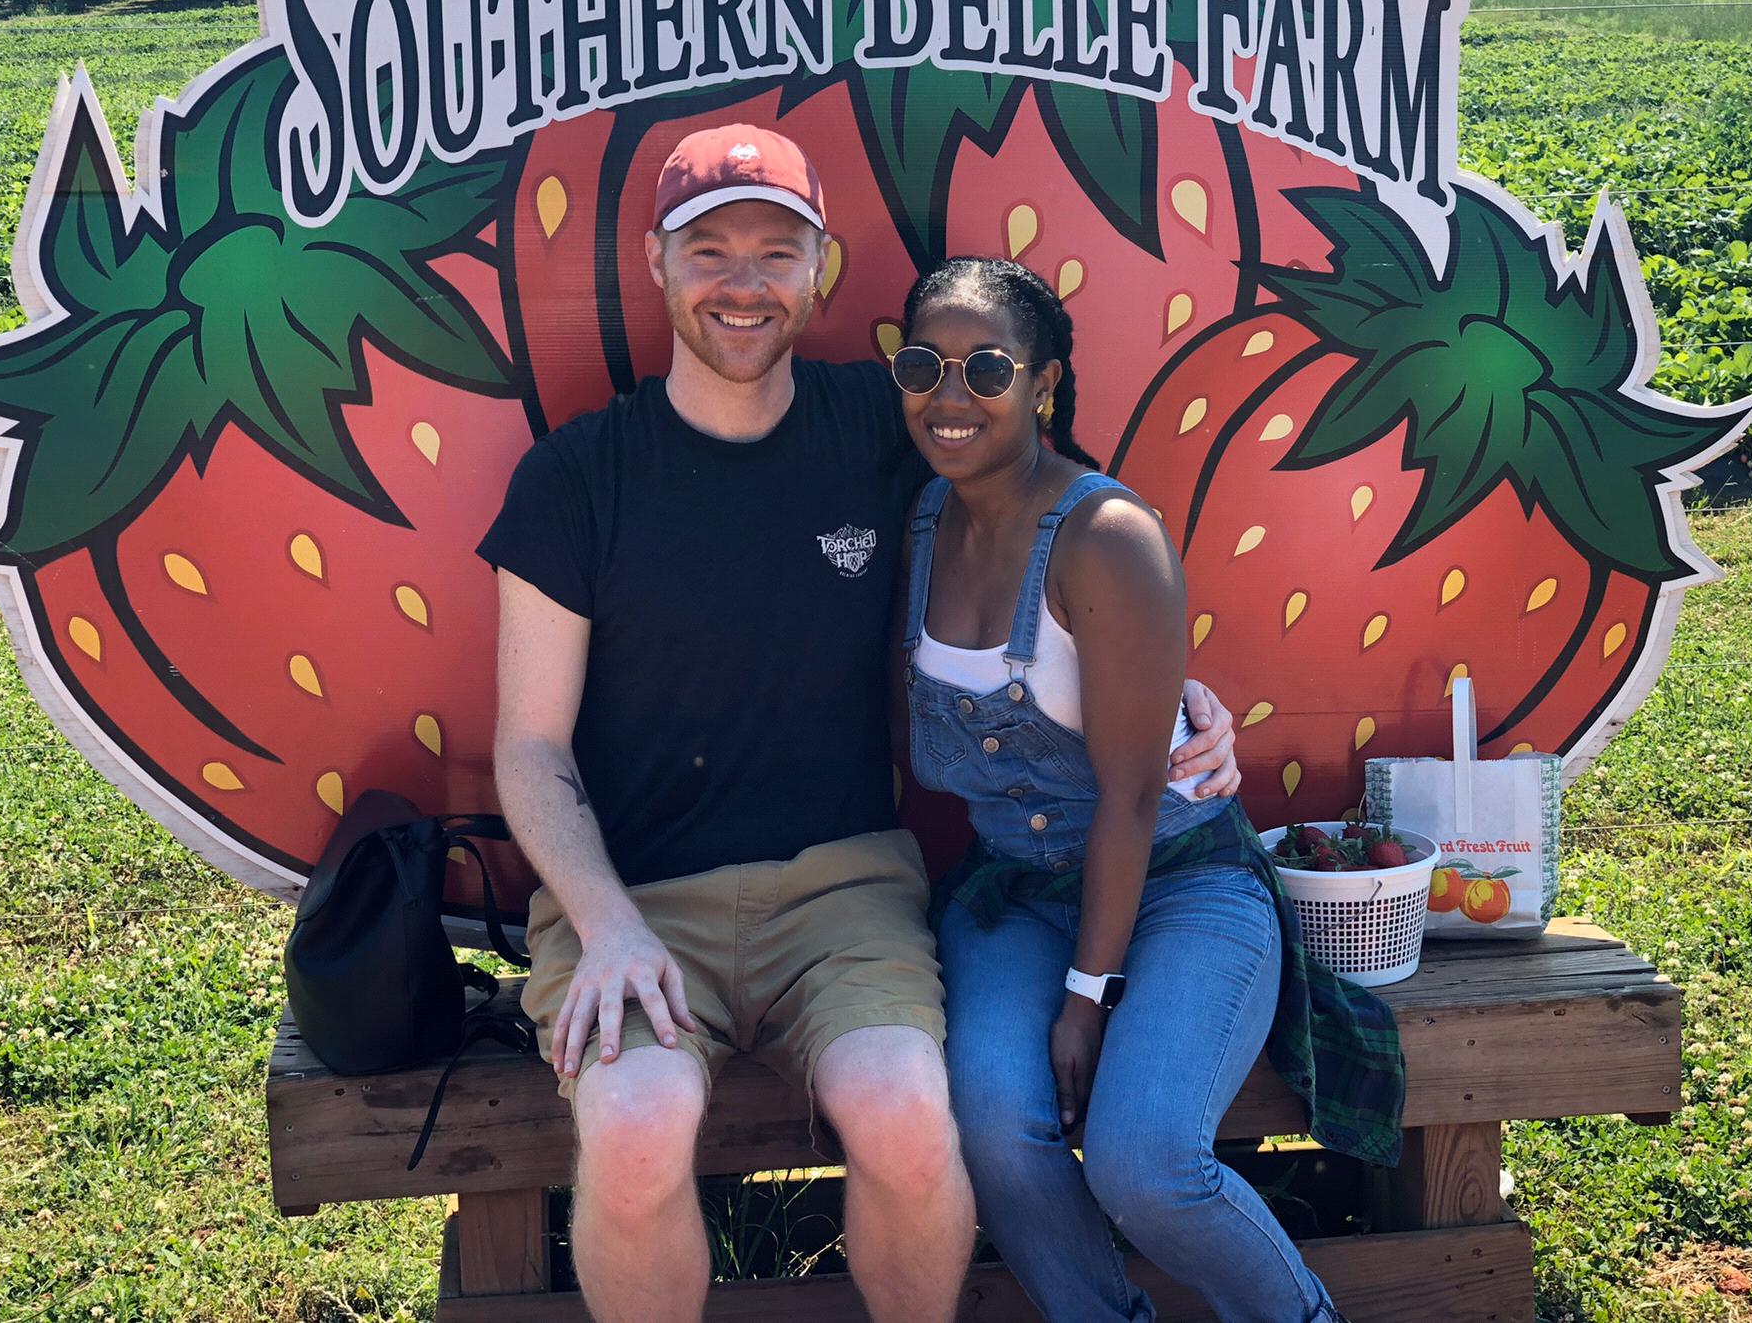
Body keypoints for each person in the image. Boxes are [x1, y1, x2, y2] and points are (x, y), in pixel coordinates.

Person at [478, 126, 1241, 1323]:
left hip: (841, 891)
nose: (743, 283)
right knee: (633, 1126)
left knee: (901, 1106)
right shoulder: (577, 476)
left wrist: (1181, 689)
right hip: (631, 897)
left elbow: (1070, 522)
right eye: (709, 250)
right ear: (656, 264)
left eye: (776, 252)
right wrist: (609, 926)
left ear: (821, 270)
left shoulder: (882, 427)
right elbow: (527, 744)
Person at [893, 257, 1406, 1323]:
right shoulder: (916, 527)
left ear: (1043, 384)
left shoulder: (1104, 537)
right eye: (922, 366)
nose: (950, 396)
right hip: (1015, 891)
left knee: (1142, 1160)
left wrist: (1086, 999)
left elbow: (1131, 796)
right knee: (993, 1124)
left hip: (1179, 881)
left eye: (986, 368)